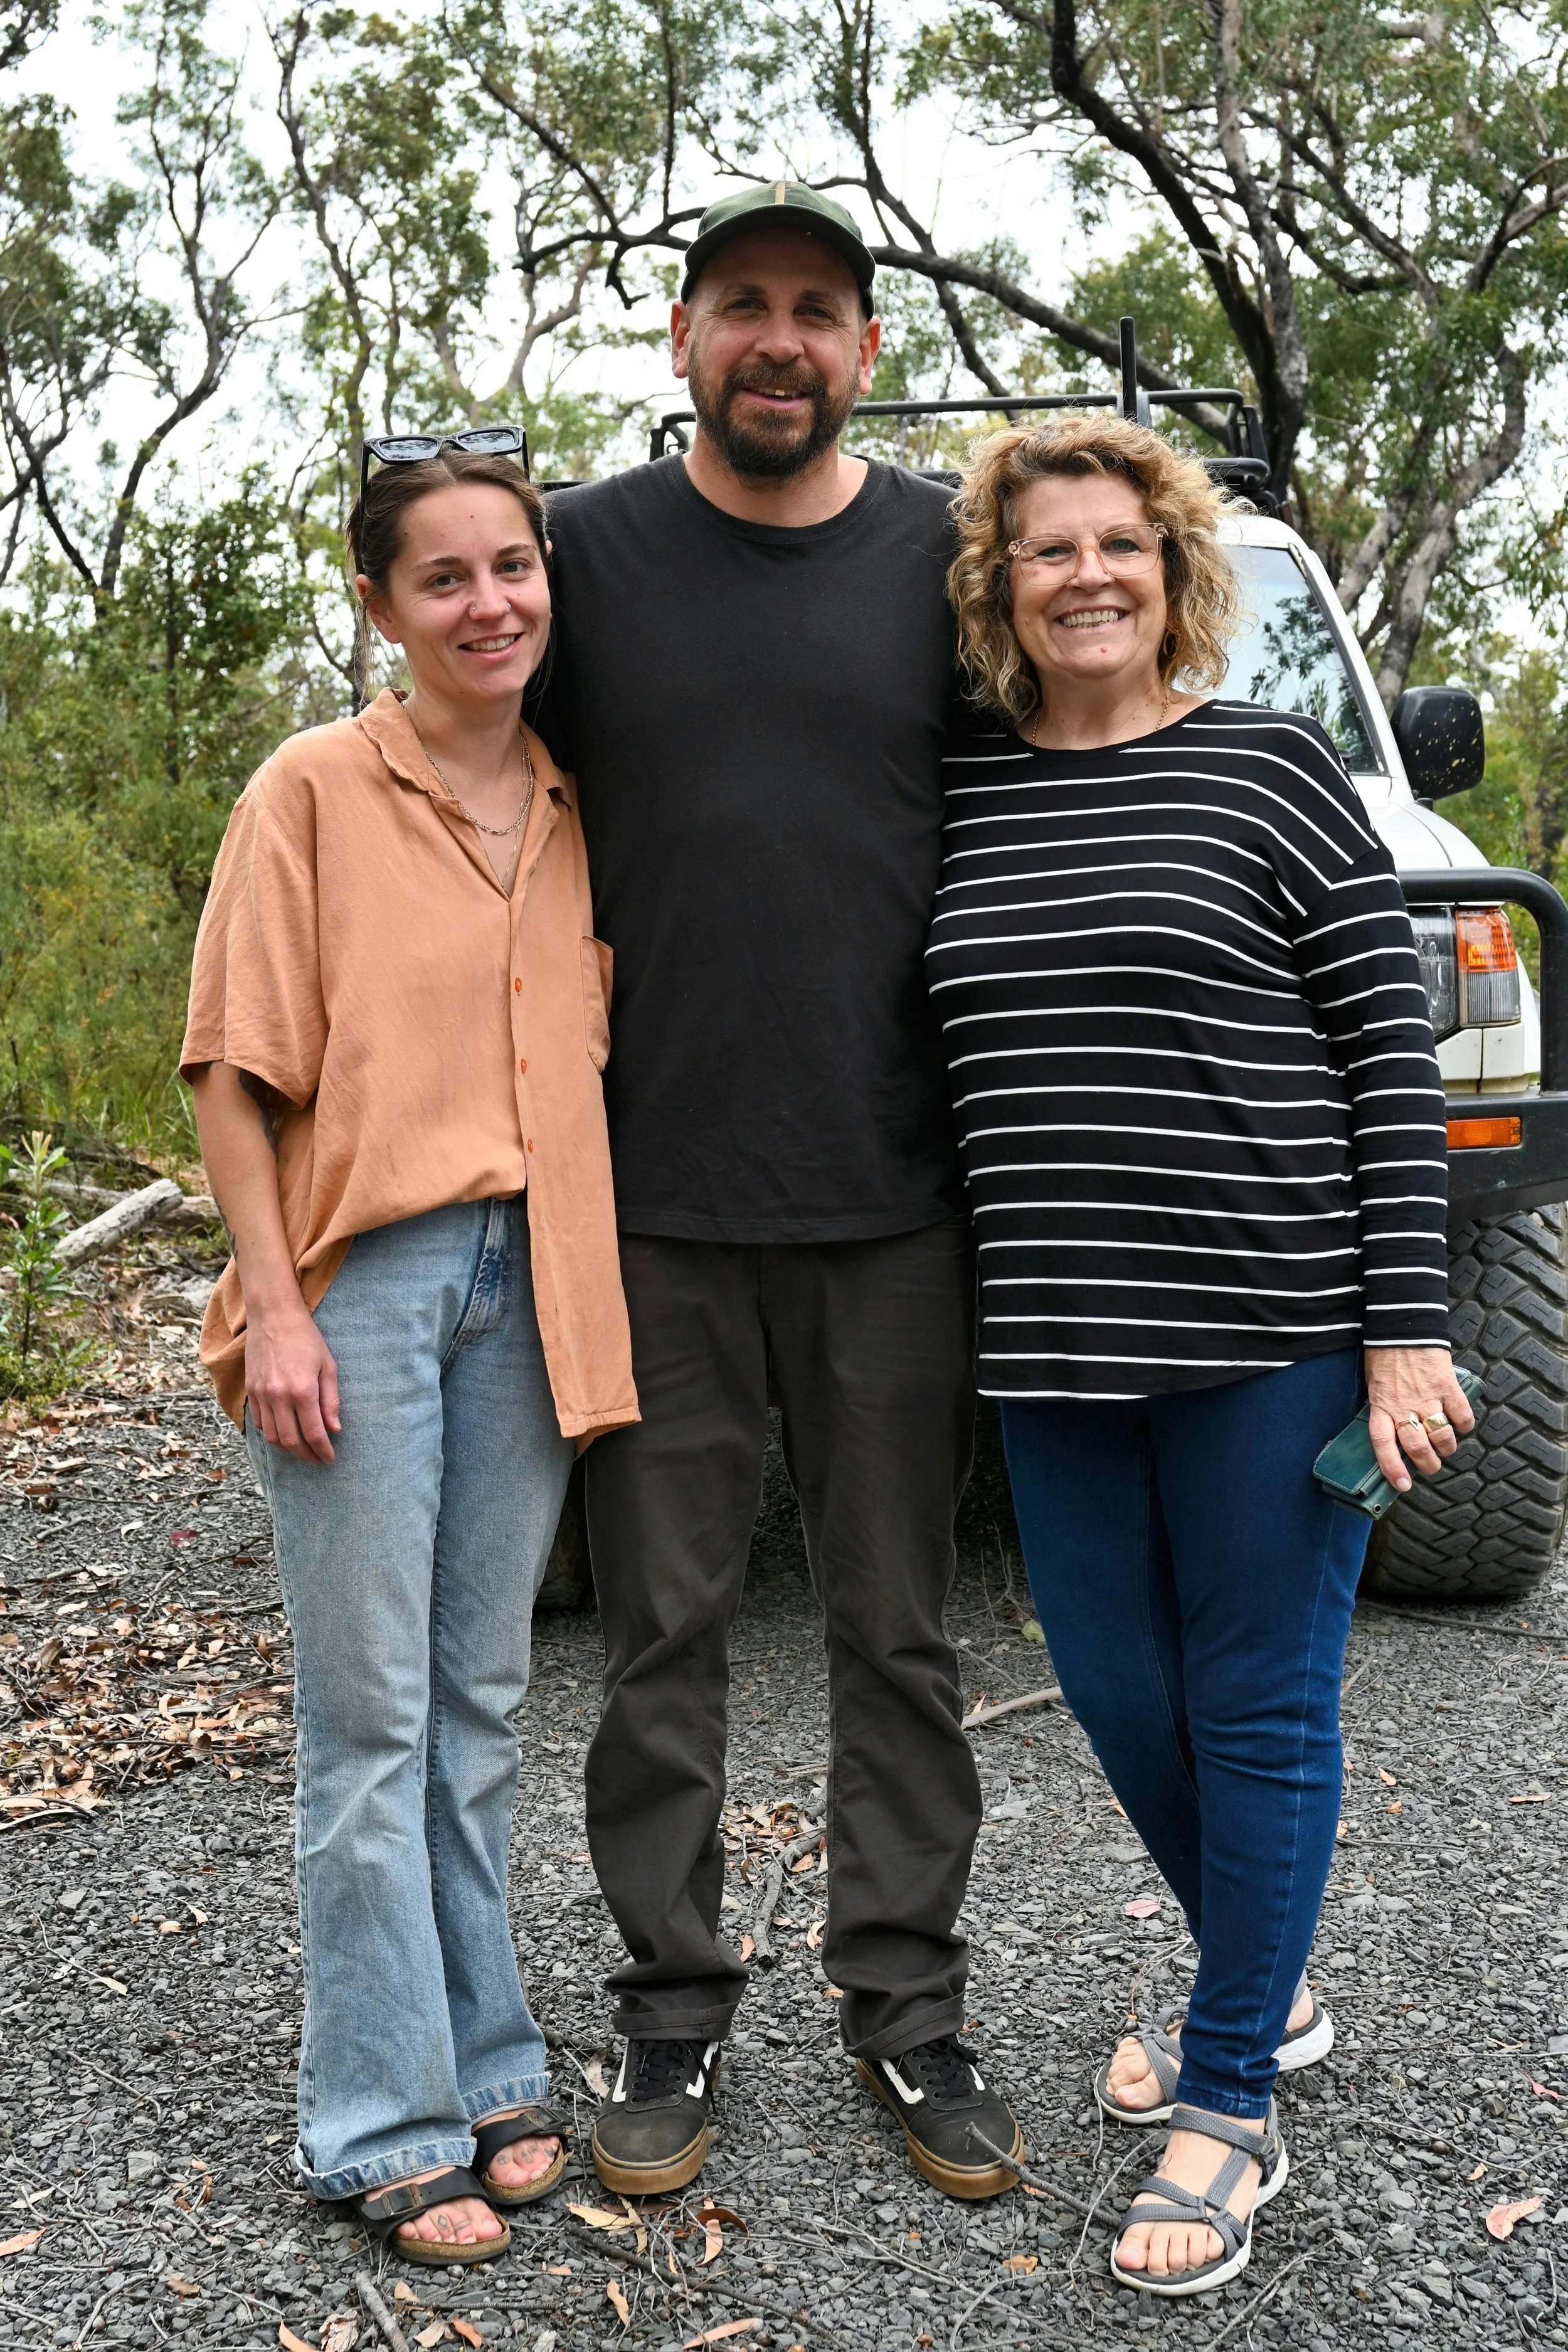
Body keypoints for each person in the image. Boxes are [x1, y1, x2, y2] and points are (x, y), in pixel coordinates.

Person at [933, 416, 1472, 2294]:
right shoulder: (968, 790)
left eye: (1117, 546)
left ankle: (1231, 2084)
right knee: (1110, 1686)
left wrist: (1402, 1326)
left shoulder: (1272, 771)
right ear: (998, 588)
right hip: (1052, 1340)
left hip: (1269, 1327)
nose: (1082, 574)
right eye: (1044, 550)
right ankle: (1270, 1975)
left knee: (1252, 1699)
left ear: (1174, 572)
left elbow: (1390, 1061)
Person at [536, 183, 1023, 2201]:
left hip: (898, 1195)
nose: (780, 340)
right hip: (651, 1192)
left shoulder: (944, 556)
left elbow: (1047, 795)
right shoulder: (579, 553)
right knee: (662, 1629)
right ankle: (670, 2008)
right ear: (680, 339)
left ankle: (905, 2009)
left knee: (895, 1627)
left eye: (818, 310)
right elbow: (482, 786)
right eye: (743, 303)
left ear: (866, 354)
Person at [183, 439, 637, 2265]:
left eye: (512, 567)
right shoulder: (310, 788)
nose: (488, 603)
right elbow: (231, 1062)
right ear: (378, 604)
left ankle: (489, 2053)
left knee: (480, 1705)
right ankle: (378, 2111)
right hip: (360, 1279)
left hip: (537, 1282)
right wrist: (276, 1301)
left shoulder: (575, 799)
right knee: (365, 1727)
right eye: (442, 577)